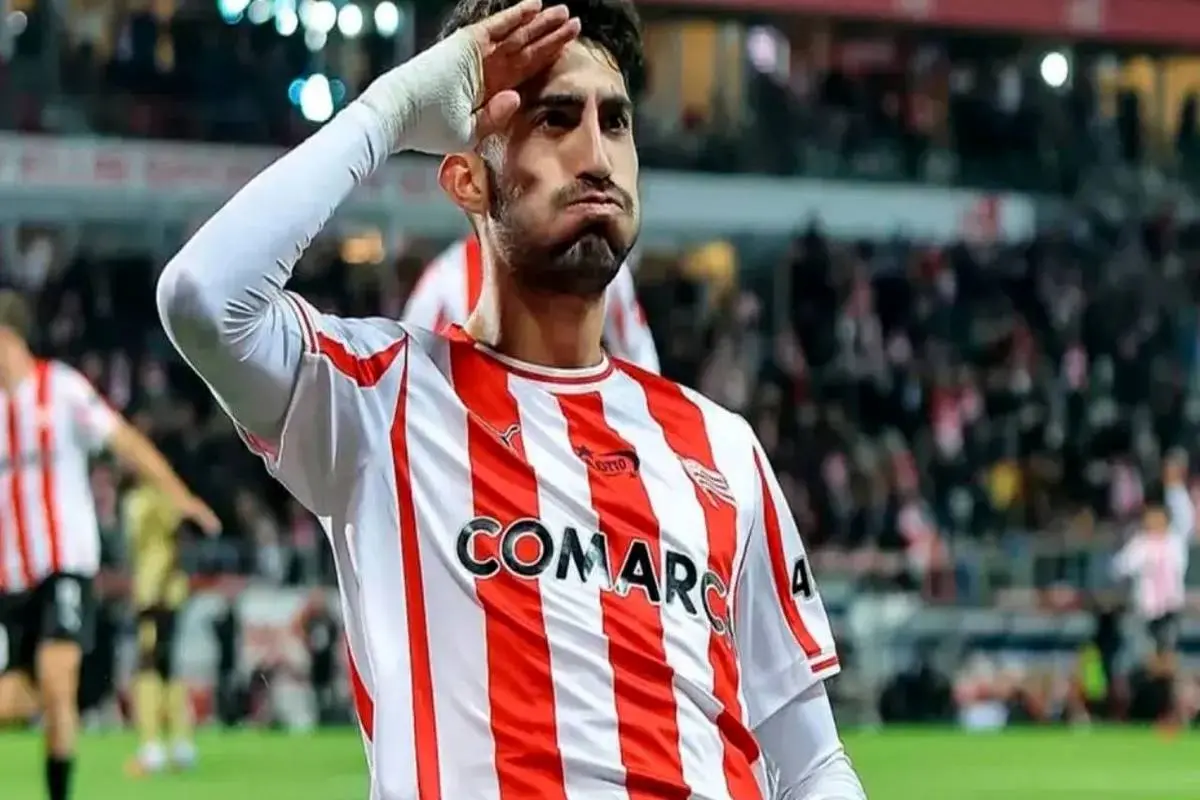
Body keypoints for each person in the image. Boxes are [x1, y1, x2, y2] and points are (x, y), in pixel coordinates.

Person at [156, 0, 866, 796]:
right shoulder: (378, 400)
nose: (596, 156)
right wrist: (394, 108)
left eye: (616, 122)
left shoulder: (721, 447)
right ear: (467, 178)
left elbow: (810, 762)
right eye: (555, 120)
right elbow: (203, 298)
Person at [0, 290, 219, 800]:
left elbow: (124, 441)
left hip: (63, 566)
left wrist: (179, 495)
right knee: (22, 699)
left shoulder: (60, 389)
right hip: (10, 579)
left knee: (58, 679)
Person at [405, 234, 660, 371]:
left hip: (575, 421)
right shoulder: (449, 273)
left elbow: (637, 351)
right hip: (478, 425)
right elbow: (410, 364)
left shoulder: (599, 264)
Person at [123, 479, 209, 775]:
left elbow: (176, 542)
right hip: (152, 591)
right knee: (164, 668)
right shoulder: (139, 496)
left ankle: (154, 747)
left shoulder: (158, 496)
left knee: (149, 666)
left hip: (160, 594)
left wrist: (158, 588)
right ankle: (179, 745)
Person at [1113, 454, 1194, 658]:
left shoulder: (1175, 540)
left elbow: (1185, 516)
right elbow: (1118, 568)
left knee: (1168, 651)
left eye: (1158, 517)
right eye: (1150, 518)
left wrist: (1174, 486)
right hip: (1145, 610)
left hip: (1170, 607)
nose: (1154, 522)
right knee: (1144, 654)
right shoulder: (1139, 543)